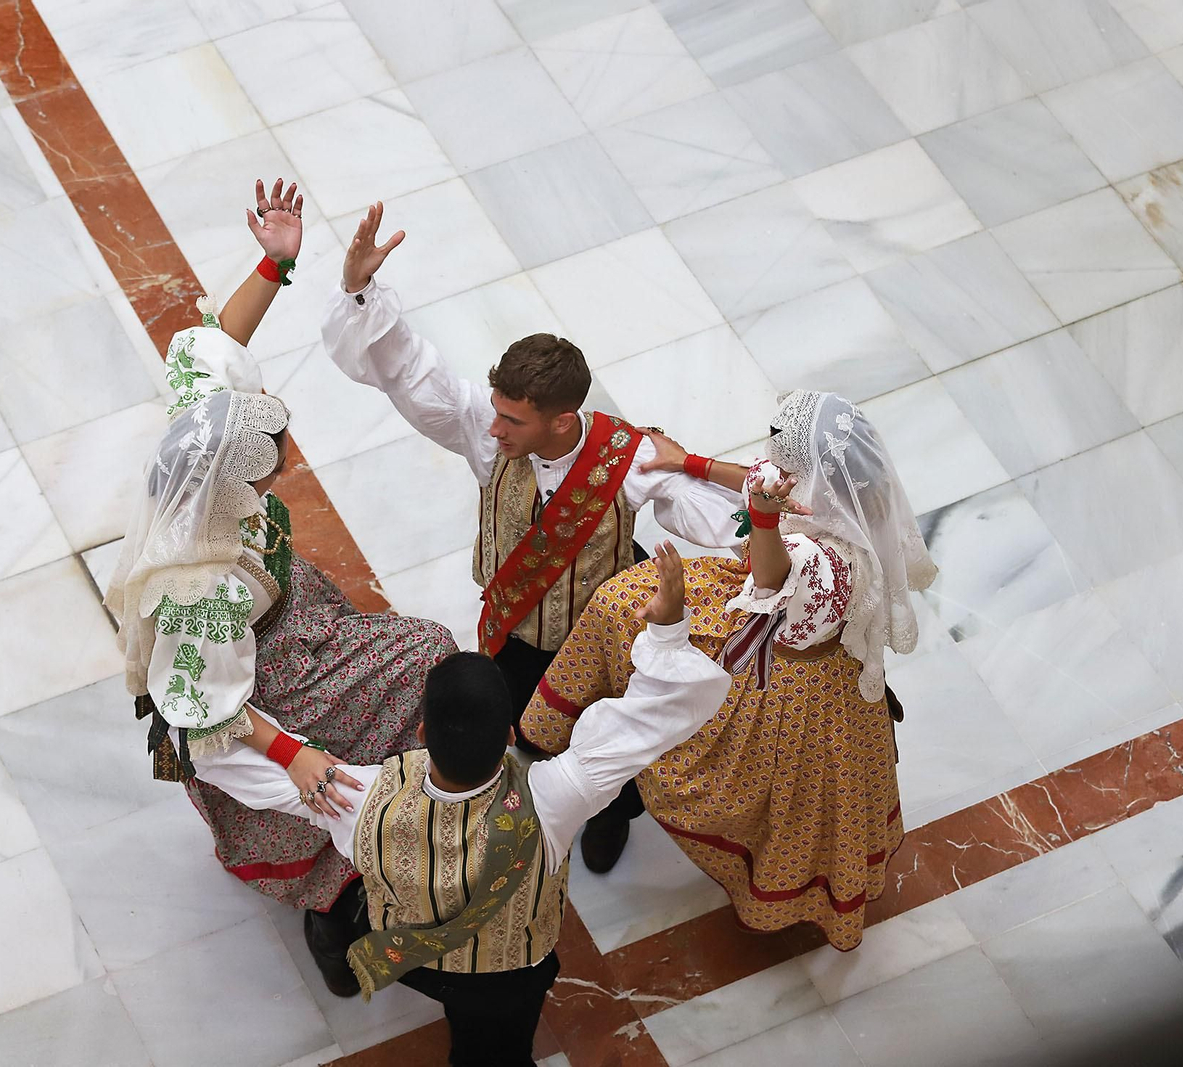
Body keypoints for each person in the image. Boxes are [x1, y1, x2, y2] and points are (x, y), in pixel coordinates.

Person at [105, 179, 457, 998]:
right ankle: (333, 905)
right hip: (256, 692)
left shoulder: (200, 436)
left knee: (412, 661)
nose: (286, 451)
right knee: (424, 659)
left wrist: (274, 264)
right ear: (239, 473)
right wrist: (296, 754)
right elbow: (212, 721)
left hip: (284, 612)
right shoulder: (205, 590)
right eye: (274, 447)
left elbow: (211, 342)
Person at [320, 202, 746, 872]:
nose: (494, 430)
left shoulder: (626, 459)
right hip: (518, 632)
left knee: (617, 736)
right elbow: (412, 373)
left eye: (513, 419)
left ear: (561, 419)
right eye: (495, 411)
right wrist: (361, 291)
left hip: (602, 636)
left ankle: (614, 815)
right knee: (531, 725)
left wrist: (766, 537)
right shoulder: (489, 437)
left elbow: (706, 513)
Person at [260, 545, 726, 1067]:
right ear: (509, 735)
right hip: (513, 973)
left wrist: (288, 751)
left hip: (418, 959)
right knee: (496, 1049)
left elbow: (239, 771)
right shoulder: (556, 794)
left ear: (419, 734)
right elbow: (655, 716)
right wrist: (666, 632)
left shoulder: (356, 795)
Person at [522, 390, 937, 950]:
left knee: (745, 791)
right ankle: (565, 726)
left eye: (789, 461)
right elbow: (756, 478)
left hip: (788, 676)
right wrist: (686, 462)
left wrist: (764, 519)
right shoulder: (836, 489)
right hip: (761, 616)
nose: (776, 466)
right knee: (619, 605)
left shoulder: (828, 562)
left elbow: (770, 581)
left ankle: (613, 775)